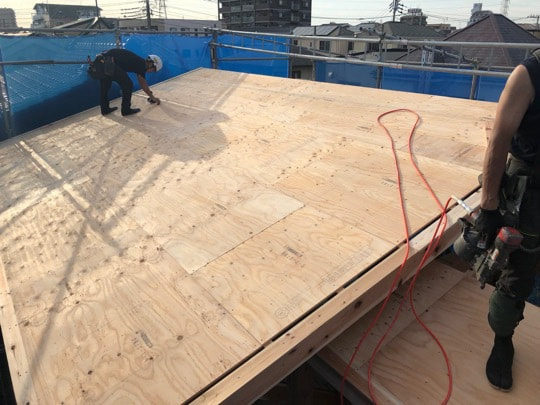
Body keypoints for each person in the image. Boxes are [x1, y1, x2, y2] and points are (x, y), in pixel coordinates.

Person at [475, 49, 540, 391]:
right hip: (529, 191)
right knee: (517, 274)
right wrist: (488, 206)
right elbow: (499, 141)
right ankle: (503, 339)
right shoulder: (528, 75)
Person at [99, 48, 162, 116]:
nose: (152, 72)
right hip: (110, 62)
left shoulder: (138, 61)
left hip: (101, 61)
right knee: (128, 85)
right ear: (151, 64)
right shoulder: (142, 65)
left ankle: (105, 109)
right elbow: (143, 84)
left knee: (105, 86)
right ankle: (126, 110)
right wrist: (152, 97)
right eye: (153, 70)